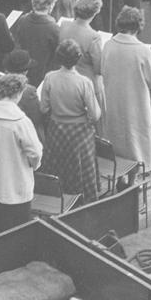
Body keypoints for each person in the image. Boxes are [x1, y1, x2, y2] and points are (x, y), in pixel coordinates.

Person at [0, 72, 44, 236]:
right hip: (15, 186)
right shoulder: (20, 121)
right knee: (17, 234)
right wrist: (33, 165)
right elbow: (35, 152)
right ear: (19, 93)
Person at [102, 6, 151, 174]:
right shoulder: (142, 50)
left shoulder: (108, 45)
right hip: (135, 102)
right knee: (136, 138)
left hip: (113, 99)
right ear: (138, 26)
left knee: (116, 136)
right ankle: (137, 172)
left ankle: (119, 171)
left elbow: (102, 69)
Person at [39, 40, 103, 200]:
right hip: (79, 133)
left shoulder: (49, 77)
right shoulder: (84, 82)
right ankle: (82, 198)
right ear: (78, 58)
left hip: (56, 130)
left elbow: (44, 108)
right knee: (81, 167)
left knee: (57, 166)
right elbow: (95, 115)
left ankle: (57, 198)